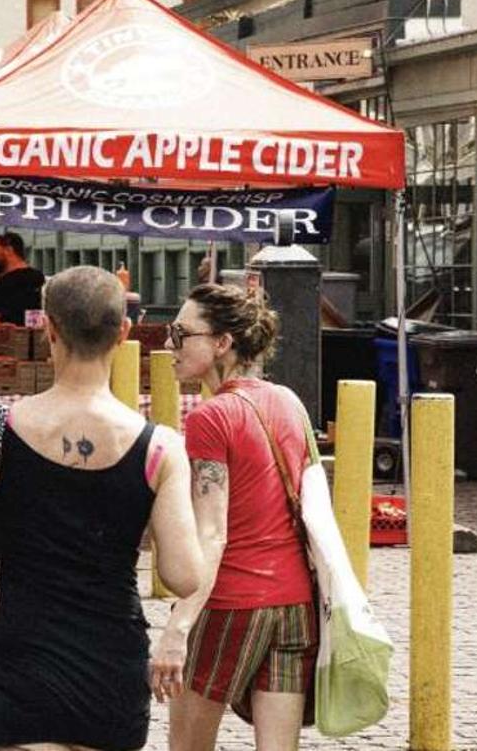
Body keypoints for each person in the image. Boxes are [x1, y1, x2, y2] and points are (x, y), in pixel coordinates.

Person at [0, 266, 204, 751]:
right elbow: (184, 575)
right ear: (124, 333)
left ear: (48, 328)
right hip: (110, 667)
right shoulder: (160, 448)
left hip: (20, 659)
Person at [155, 283, 317, 751]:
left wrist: (177, 628)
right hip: (294, 607)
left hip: (230, 604)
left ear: (222, 342)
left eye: (181, 333)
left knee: (188, 746)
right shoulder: (288, 401)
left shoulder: (211, 417)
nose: (170, 344)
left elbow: (212, 532)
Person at [0, 232, 46, 326]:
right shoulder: (38, 277)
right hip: (34, 335)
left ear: (9, 250)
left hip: (10, 338)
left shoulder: (4, 283)